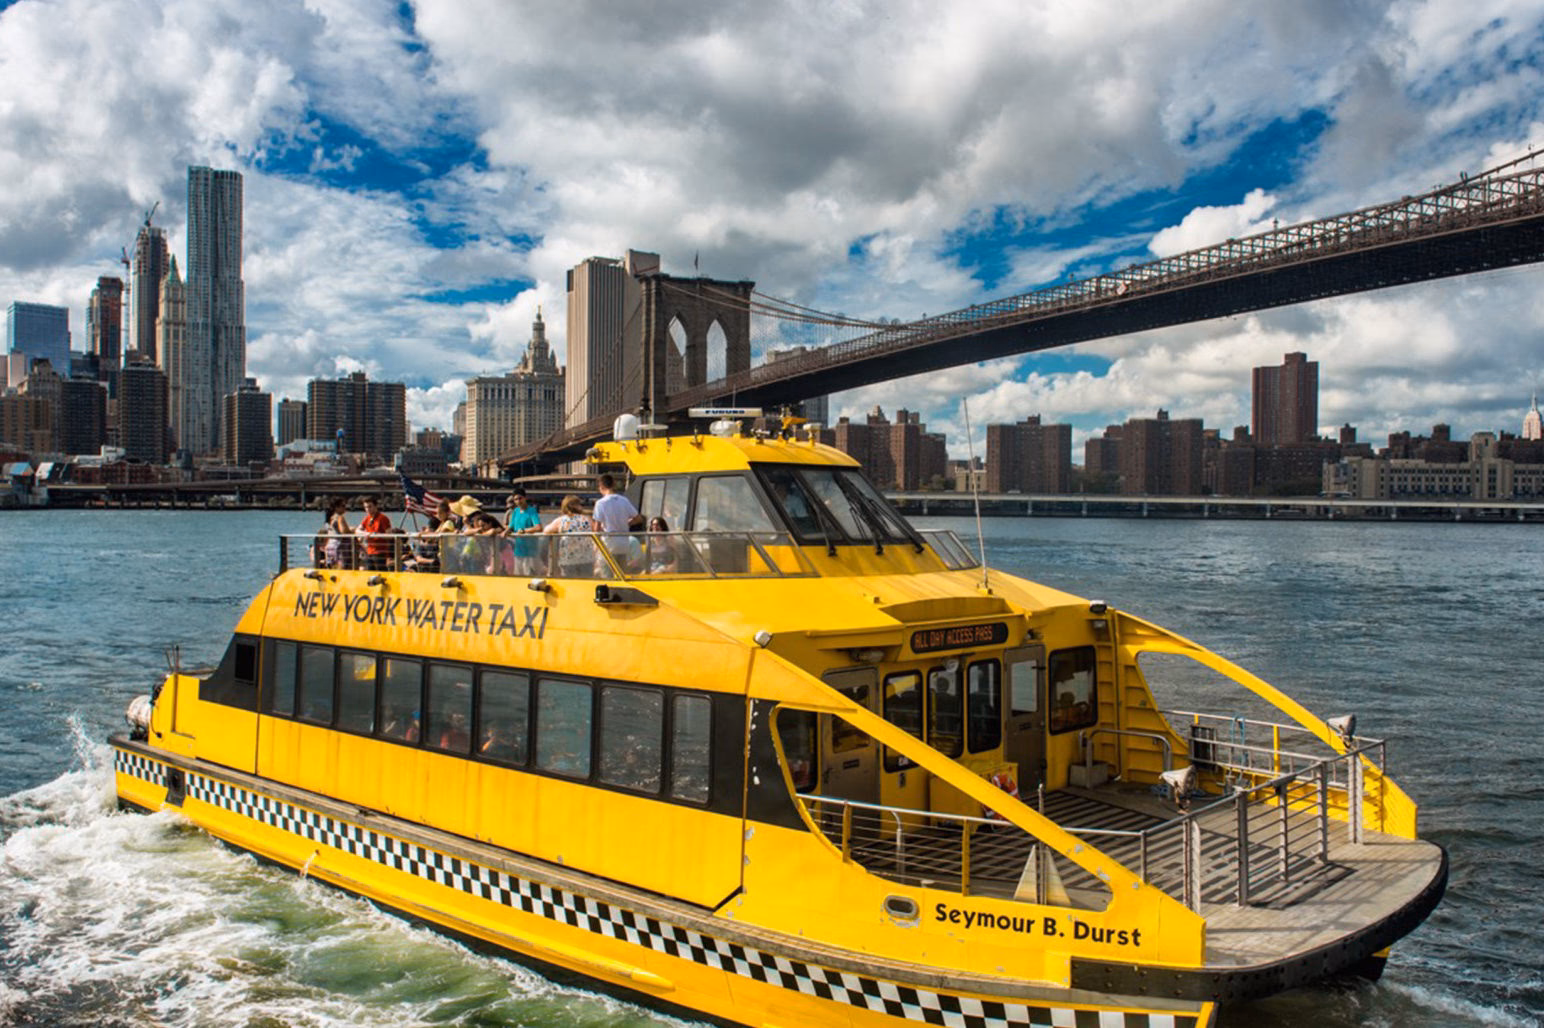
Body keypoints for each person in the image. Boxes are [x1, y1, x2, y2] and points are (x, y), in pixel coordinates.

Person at [542, 494, 597, 577]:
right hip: (587, 557)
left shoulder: (562, 520)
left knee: (570, 584)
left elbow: (546, 530)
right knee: (586, 584)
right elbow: (596, 532)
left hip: (568, 558)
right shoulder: (587, 519)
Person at [505, 490, 543, 575]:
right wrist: (505, 532)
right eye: (516, 499)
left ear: (525, 498)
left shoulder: (532, 511)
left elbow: (539, 528)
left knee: (530, 576)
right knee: (518, 577)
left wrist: (524, 531)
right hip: (518, 550)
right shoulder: (515, 511)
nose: (518, 501)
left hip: (530, 551)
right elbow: (511, 526)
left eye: (520, 498)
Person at [356, 494, 392, 570]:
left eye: (370, 506)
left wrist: (377, 535)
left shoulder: (382, 518)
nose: (367, 509)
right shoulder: (367, 518)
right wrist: (366, 534)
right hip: (369, 551)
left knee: (381, 572)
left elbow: (389, 534)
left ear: (375, 506)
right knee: (370, 572)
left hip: (380, 552)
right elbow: (357, 530)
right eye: (365, 507)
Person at [326, 497, 352, 568]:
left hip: (331, 545)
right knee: (343, 567)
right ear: (336, 508)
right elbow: (343, 531)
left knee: (332, 566)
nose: (345, 508)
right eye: (343, 506)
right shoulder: (339, 517)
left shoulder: (330, 518)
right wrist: (351, 531)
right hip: (340, 546)